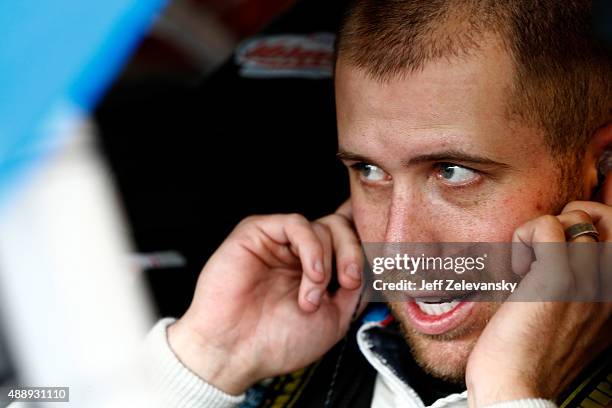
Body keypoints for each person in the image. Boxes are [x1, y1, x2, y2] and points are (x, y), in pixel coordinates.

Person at [144, 0, 612, 407]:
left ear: (604, 170)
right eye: (369, 171)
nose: (397, 242)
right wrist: (207, 362)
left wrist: (509, 391)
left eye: (453, 171)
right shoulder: (292, 352)